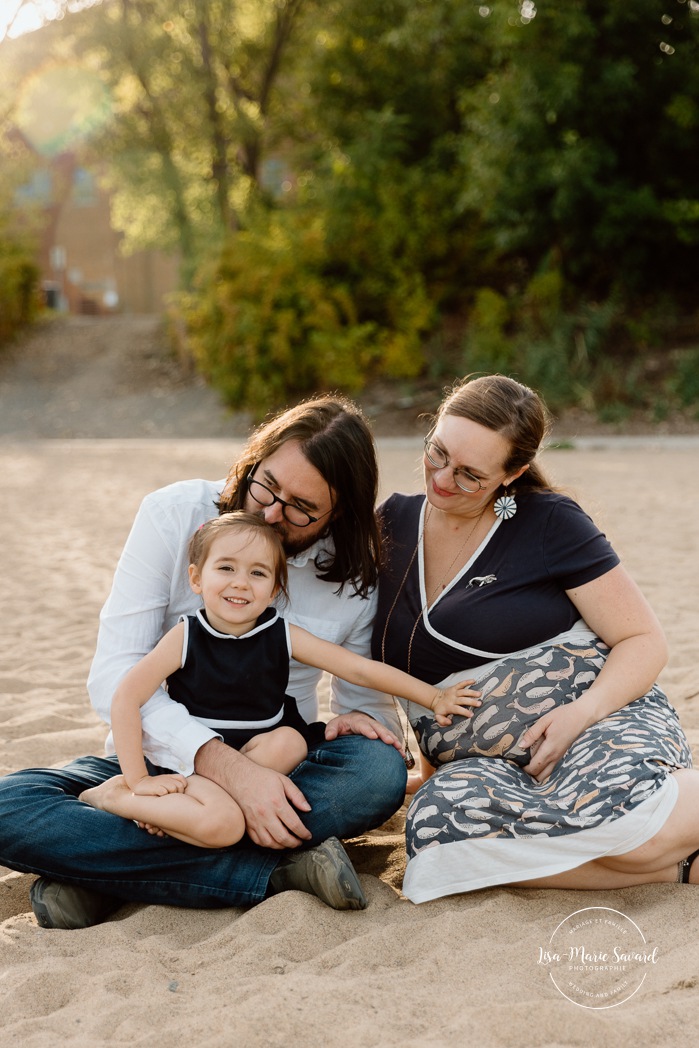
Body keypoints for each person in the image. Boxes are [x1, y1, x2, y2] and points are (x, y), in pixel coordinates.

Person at [0, 396, 411, 928]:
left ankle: (101, 877)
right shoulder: (173, 515)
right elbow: (114, 675)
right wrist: (221, 767)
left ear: (340, 513)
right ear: (254, 459)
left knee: (376, 775)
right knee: (10, 806)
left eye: (301, 508)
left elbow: (367, 706)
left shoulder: (355, 579)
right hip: (156, 771)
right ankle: (279, 874)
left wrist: (357, 724)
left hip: (278, 767)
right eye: (266, 486)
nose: (269, 512)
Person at [373, 374, 699, 903]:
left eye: (470, 474)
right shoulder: (390, 523)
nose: (443, 478)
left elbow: (644, 640)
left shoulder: (549, 523)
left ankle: (667, 832)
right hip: (487, 764)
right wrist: (429, 766)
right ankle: (674, 870)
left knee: (624, 807)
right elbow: (408, 659)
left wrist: (584, 712)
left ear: (512, 474)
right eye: (438, 453)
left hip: (597, 719)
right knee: (434, 837)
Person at [82, 511, 477, 848]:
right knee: (224, 826)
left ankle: (181, 818)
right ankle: (118, 796)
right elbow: (126, 697)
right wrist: (137, 780)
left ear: (274, 589)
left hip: (261, 752)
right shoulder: (186, 636)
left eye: (257, 573)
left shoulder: (281, 632)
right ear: (196, 578)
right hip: (193, 764)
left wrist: (434, 697)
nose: (240, 582)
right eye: (226, 568)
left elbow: (357, 669)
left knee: (291, 740)